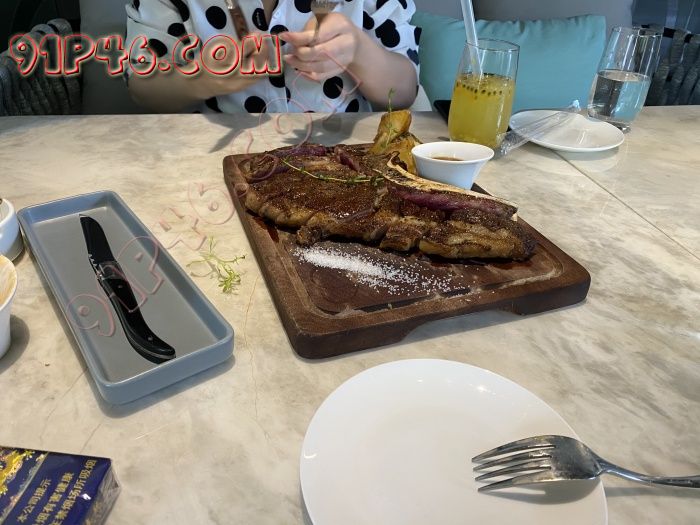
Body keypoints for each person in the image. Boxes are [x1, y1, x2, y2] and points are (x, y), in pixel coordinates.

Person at [125, 0, 421, 114]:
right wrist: (201, 78)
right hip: (216, 163)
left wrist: (359, 51)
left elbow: (404, 92)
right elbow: (142, 88)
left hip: (346, 159)